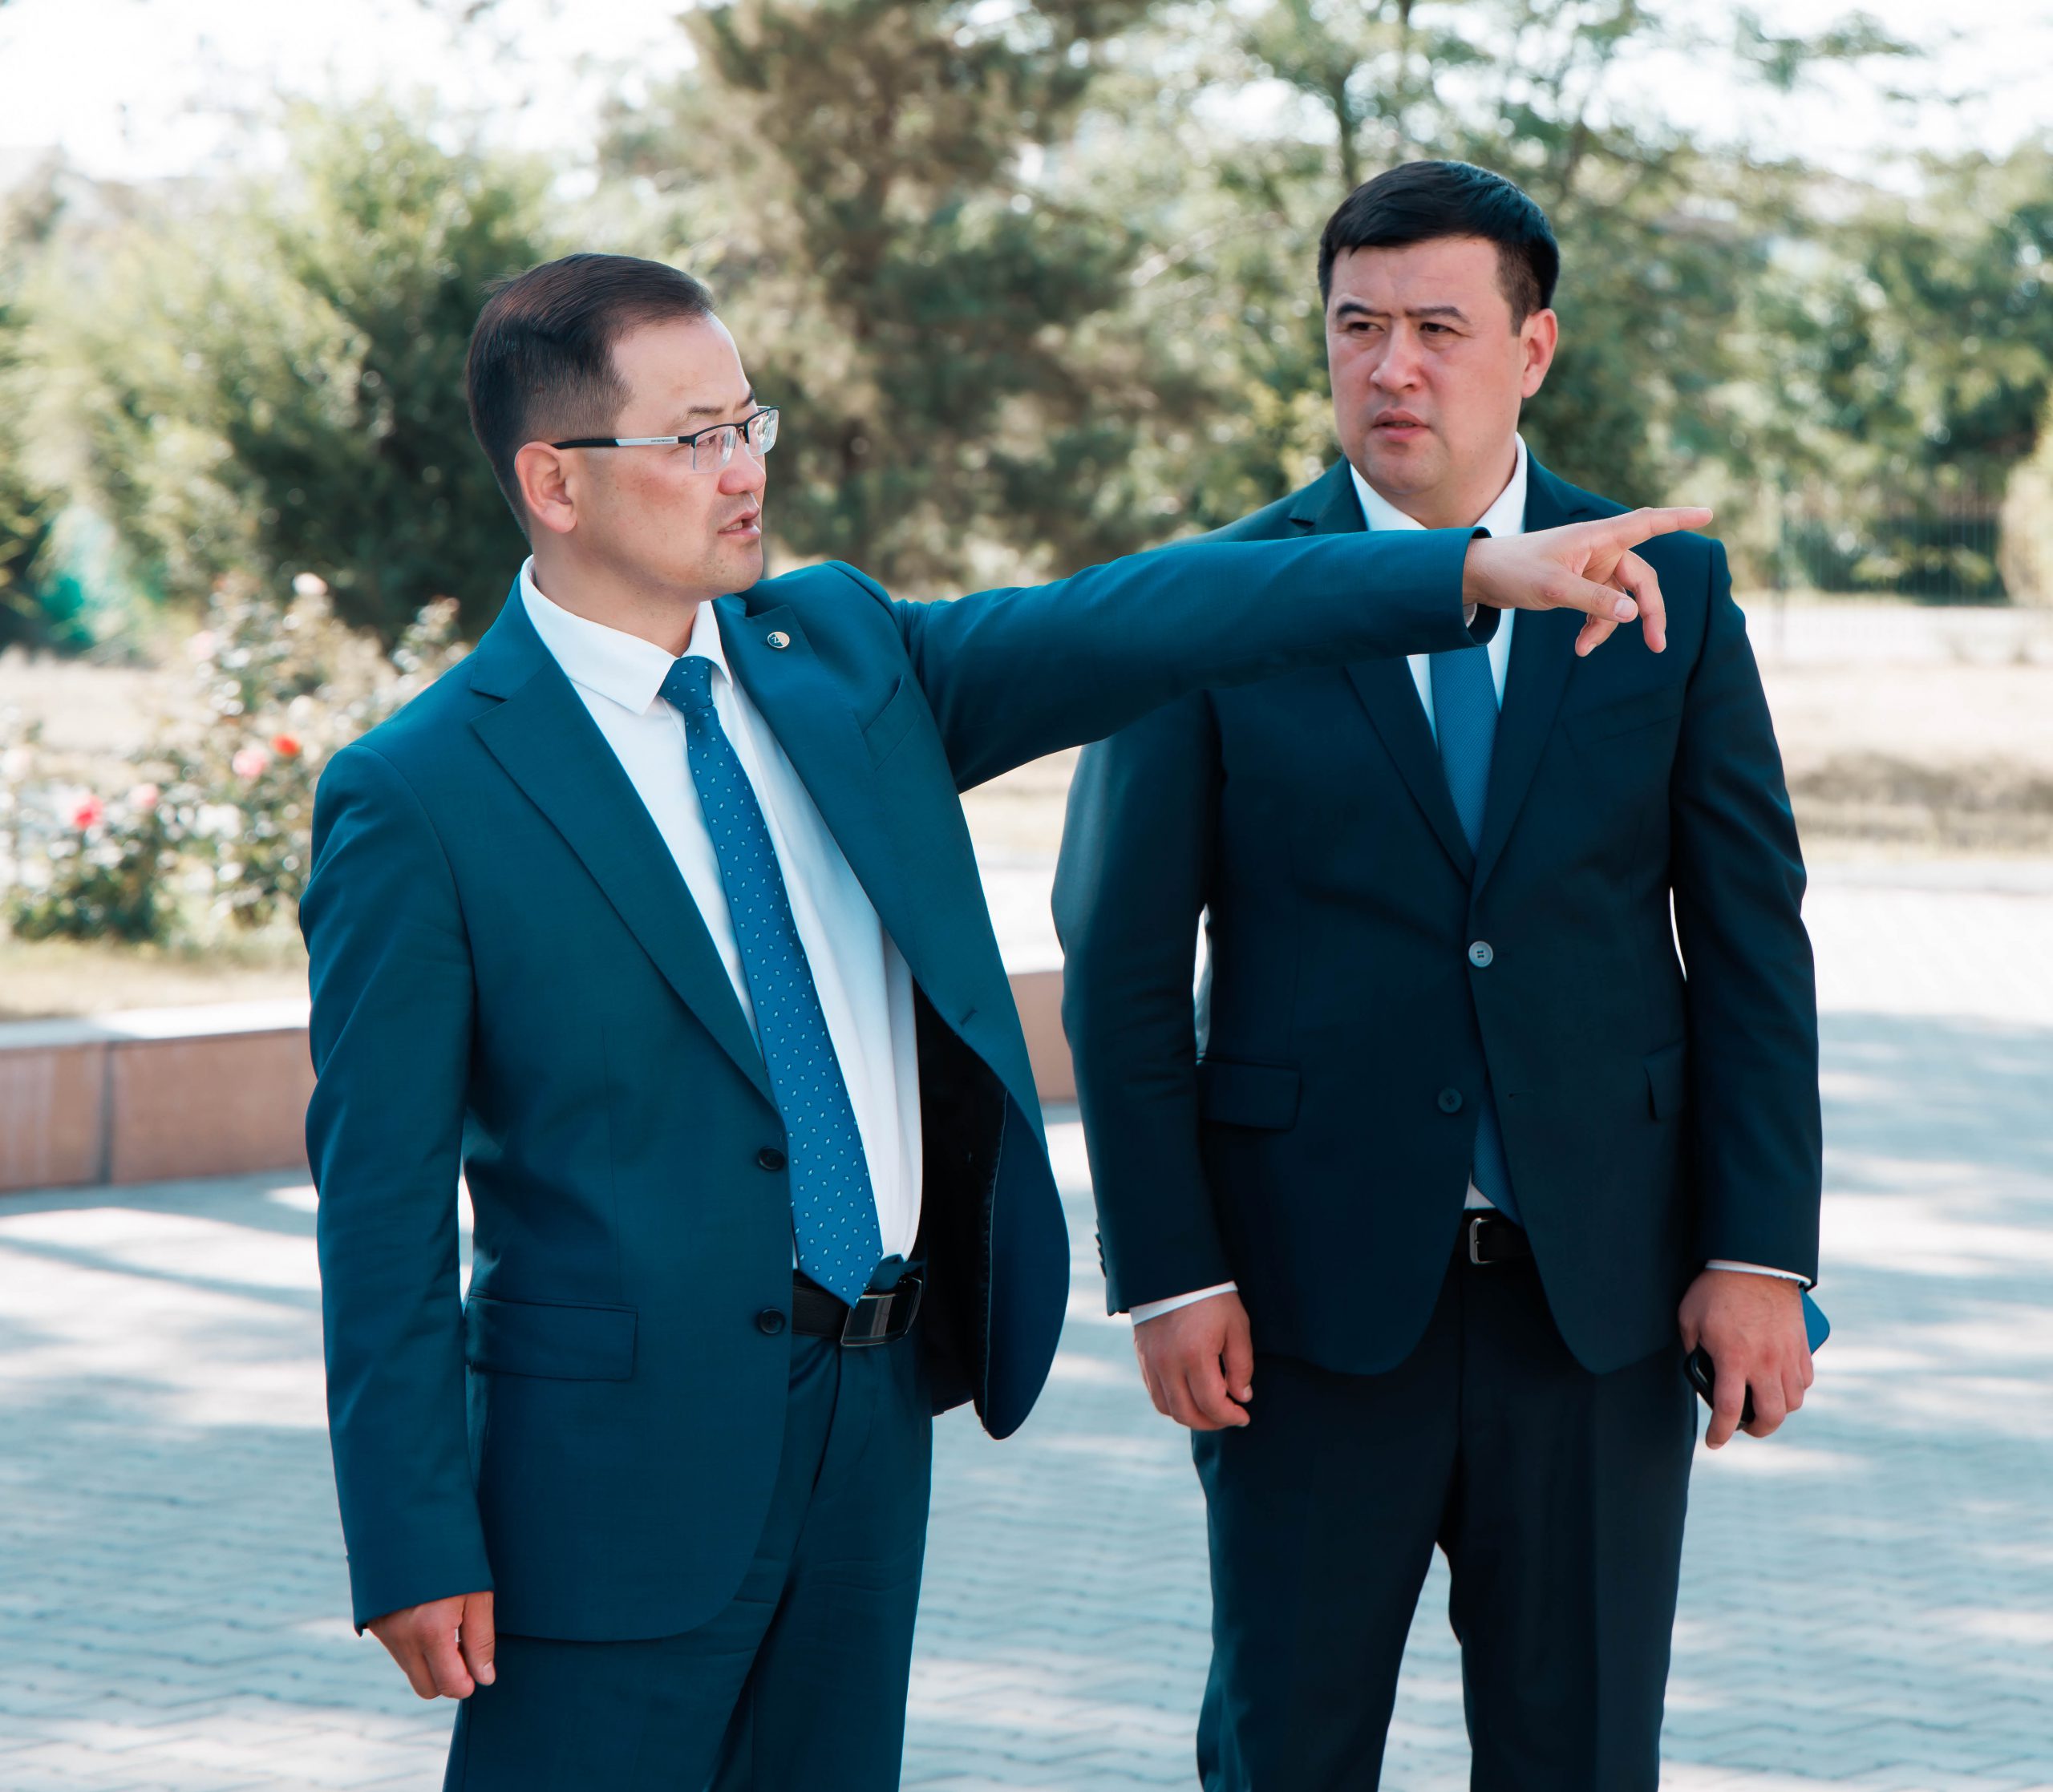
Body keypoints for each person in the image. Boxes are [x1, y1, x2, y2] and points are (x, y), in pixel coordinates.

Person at [302, 249, 1695, 1792]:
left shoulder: (841, 658)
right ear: (554, 482)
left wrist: (1462, 576)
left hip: (871, 1413)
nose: (745, 470)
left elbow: (1143, 618)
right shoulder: (421, 795)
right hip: (610, 1474)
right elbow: (380, 1212)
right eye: (693, 439)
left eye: (749, 422)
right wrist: (414, 1536)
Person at [1054, 161, 1823, 1791]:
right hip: (1300, 1309)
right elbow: (1121, 964)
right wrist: (1168, 1273)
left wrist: (1755, 1252)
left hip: (1598, 1303)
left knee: (1581, 1758)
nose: (1390, 366)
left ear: (1531, 349)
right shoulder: (1213, 601)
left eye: (1436, 329)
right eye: (1357, 327)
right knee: (1284, 1752)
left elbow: (1752, 934)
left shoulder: (1672, 589)